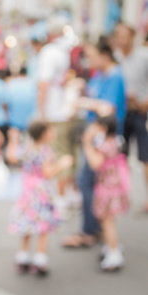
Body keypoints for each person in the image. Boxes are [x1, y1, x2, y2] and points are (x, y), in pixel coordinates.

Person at [63, 39, 127, 248]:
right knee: (89, 182)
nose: (88, 61)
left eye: (91, 56)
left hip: (102, 139)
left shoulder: (115, 76)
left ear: (104, 55)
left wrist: (82, 102)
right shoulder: (99, 75)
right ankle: (97, 227)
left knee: (87, 181)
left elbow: (108, 108)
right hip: (95, 134)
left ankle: (91, 230)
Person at [7, 121, 73, 276]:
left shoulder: (27, 149)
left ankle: (22, 257)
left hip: (27, 191)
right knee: (43, 226)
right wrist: (62, 165)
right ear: (44, 134)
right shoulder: (46, 151)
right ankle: (40, 260)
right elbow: (47, 173)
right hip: (41, 193)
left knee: (27, 224)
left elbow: (11, 157)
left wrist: (13, 139)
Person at [37, 16, 77, 214]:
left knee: (58, 154)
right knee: (65, 151)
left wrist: (41, 112)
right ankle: (67, 194)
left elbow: (43, 84)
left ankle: (61, 198)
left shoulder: (50, 52)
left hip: (54, 112)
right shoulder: (64, 51)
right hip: (63, 111)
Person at [82, 116, 130, 271]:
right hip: (115, 186)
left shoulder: (104, 146)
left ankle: (114, 254)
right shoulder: (118, 140)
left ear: (103, 128)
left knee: (107, 222)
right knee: (110, 220)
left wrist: (87, 143)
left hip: (107, 189)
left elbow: (95, 163)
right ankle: (112, 246)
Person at [113, 23, 148, 213]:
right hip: (121, 114)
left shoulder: (144, 56)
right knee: (121, 157)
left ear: (133, 36)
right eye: (119, 36)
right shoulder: (115, 58)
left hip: (141, 113)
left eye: (125, 36)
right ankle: (122, 197)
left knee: (145, 157)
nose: (122, 40)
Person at [5, 67, 37, 132]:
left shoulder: (11, 84)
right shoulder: (32, 83)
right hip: (30, 121)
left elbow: (5, 103)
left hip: (13, 121)